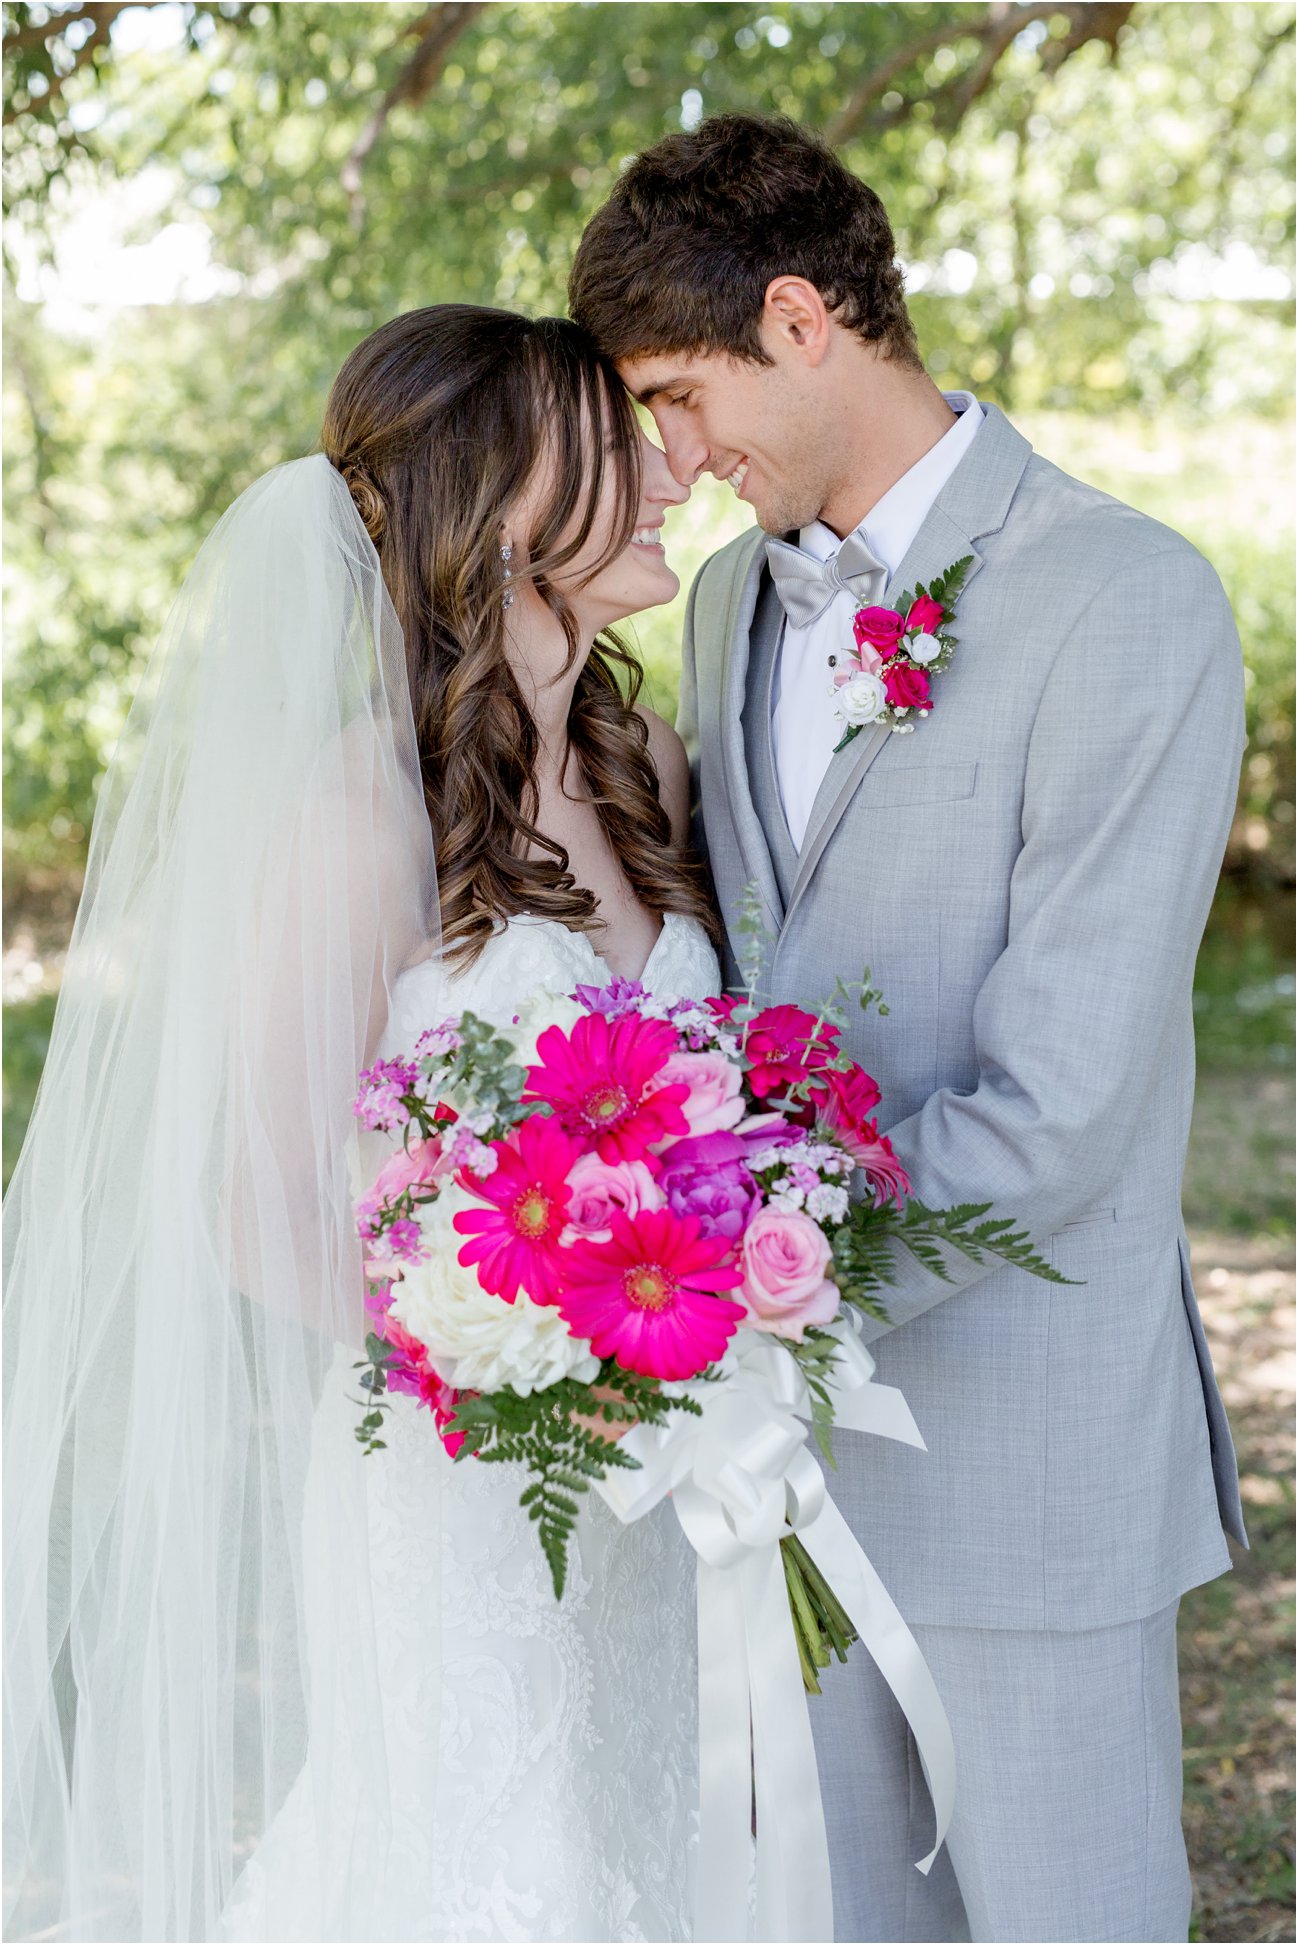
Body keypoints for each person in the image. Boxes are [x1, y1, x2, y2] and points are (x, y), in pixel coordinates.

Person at [570, 112, 1248, 1945]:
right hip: (771, 1483)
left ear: (800, 320)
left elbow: (1063, 1105)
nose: (673, 463)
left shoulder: (1127, 600)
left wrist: (727, 1284)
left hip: (1018, 1451)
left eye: (676, 396)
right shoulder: (725, 604)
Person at [4, 306, 720, 1943]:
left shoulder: (647, 771)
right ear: (517, 500)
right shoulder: (355, 814)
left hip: (650, 1483)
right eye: (621, 438)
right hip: (458, 1481)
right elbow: (252, 1200)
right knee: (489, 1870)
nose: (673, 472)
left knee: (639, 1833)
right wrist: (522, 1370)